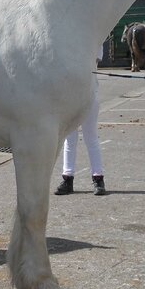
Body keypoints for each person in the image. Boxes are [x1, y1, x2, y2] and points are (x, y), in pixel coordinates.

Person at [54, 47, 107, 196]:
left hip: (89, 95)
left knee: (91, 137)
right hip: (70, 97)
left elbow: (93, 61)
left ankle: (98, 179)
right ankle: (67, 179)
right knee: (69, 139)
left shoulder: (95, 39)